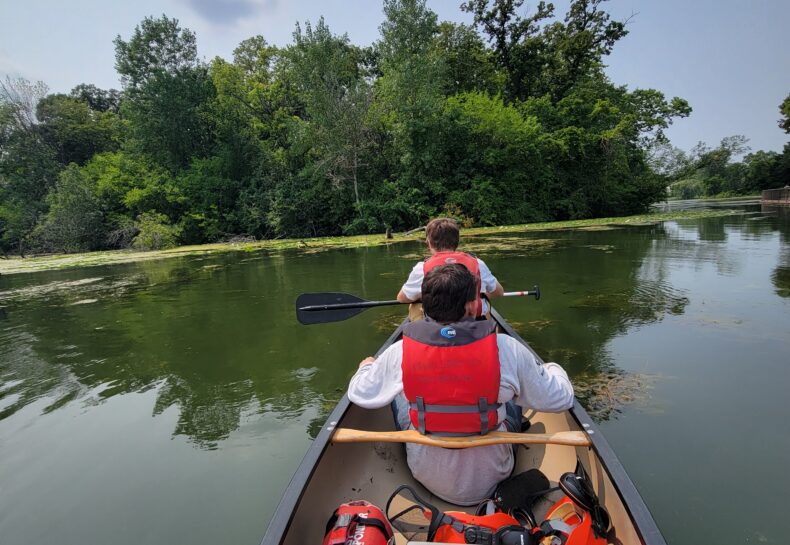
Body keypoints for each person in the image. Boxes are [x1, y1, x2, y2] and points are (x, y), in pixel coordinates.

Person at [349, 264, 574, 505]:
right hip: (495, 475)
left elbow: (358, 392)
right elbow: (561, 398)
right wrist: (553, 368)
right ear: (471, 305)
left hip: (426, 475)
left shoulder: (400, 352)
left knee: (397, 394)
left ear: (424, 306)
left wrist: (368, 366)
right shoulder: (507, 349)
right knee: (512, 395)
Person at [397, 218, 504, 317]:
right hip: (473, 320)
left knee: (414, 306)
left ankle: (420, 334)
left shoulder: (421, 268)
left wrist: (423, 296)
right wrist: (477, 295)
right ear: (457, 241)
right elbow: (498, 292)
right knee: (485, 304)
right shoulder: (477, 263)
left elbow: (402, 298)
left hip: (436, 323)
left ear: (429, 243)